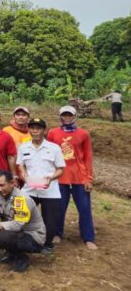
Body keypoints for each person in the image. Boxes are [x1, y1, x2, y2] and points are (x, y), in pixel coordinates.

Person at [0, 170, 46, 273]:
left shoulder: (21, 199)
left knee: (4, 236)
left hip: (33, 238)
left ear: (11, 183)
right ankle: (12, 252)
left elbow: (17, 225)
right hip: (14, 234)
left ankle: (21, 257)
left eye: (2, 185)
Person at [47, 106, 97, 250]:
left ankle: (88, 237)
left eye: (70, 115)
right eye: (64, 115)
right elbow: (49, 155)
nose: (67, 117)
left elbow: (88, 157)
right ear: (60, 116)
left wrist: (89, 178)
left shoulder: (83, 134)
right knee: (59, 208)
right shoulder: (52, 133)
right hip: (60, 176)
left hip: (79, 177)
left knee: (85, 208)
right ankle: (57, 233)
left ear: (74, 116)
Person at [17, 117, 65, 253]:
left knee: (49, 220)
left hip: (49, 190)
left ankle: (46, 244)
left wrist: (51, 178)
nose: (35, 131)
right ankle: (22, 240)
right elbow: (21, 164)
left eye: (38, 128)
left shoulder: (54, 148)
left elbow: (61, 169)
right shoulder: (23, 147)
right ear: (29, 130)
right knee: (22, 215)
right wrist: (23, 175)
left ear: (44, 130)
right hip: (29, 189)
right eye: (32, 128)